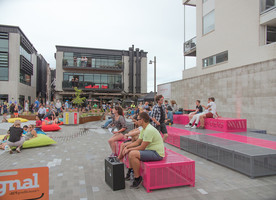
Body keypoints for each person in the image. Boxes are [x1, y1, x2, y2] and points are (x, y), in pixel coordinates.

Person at [123, 112, 165, 188]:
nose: (136, 121)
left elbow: (142, 147)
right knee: (131, 152)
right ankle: (131, 171)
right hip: (150, 150)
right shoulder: (144, 128)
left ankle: (137, 178)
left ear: (142, 120)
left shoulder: (149, 130)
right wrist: (127, 147)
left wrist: (129, 149)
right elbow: (137, 142)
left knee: (132, 154)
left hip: (157, 153)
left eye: (138, 119)